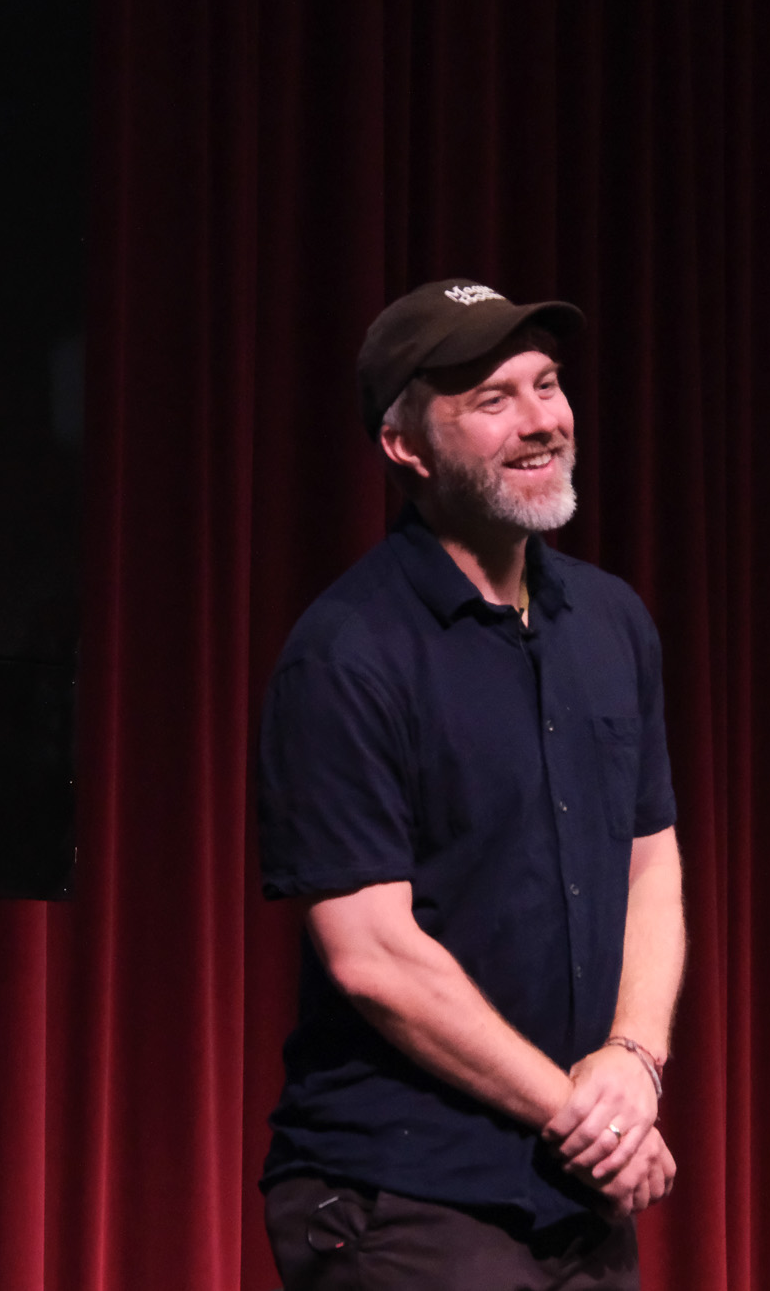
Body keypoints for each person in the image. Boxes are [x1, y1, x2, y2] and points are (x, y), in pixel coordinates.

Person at [256, 278, 687, 1289]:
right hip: (406, 1193)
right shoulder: (347, 654)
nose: (541, 421)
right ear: (406, 445)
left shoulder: (611, 622)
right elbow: (373, 956)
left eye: (547, 384)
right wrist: (584, 1113)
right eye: (493, 399)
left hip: (574, 1185)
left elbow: (650, 863)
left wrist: (634, 1058)